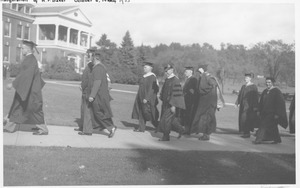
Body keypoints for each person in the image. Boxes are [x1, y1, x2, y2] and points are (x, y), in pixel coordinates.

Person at [4, 40, 48, 135]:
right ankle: (8, 125)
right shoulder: (30, 59)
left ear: (28, 49)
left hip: (30, 91)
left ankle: (43, 129)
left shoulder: (30, 59)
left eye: (23, 48)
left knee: (33, 109)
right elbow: (24, 74)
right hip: (27, 88)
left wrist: (13, 84)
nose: (21, 50)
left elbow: (26, 75)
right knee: (19, 107)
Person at [88, 51, 117, 138]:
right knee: (102, 112)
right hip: (101, 94)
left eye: (91, 57)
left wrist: (92, 95)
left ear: (95, 58)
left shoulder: (98, 68)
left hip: (99, 95)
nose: (90, 59)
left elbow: (97, 82)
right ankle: (106, 126)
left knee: (99, 112)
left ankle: (111, 127)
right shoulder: (101, 67)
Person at [253, 77, 288, 144]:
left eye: (269, 82)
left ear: (272, 83)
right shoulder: (265, 91)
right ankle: (277, 139)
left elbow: (280, 103)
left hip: (272, 113)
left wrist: (277, 114)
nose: (267, 84)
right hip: (264, 112)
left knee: (263, 125)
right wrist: (258, 110)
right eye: (266, 82)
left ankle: (258, 140)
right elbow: (261, 102)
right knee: (273, 126)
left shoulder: (277, 91)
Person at [158, 63, 185, 141]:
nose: (166, 72)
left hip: (171, 104)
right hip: (165, 103)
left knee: (165, 120)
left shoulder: (175, 80)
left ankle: (166, 136)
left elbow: (177, 94)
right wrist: (161, 97)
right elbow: (164, 91)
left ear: (172, 70)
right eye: (165, 71)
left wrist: (174, 105)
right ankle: (181, 129)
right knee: (171, 120)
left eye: (168, 70)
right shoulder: (167, 79)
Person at [190, 64, 218, 141]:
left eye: (199, 72)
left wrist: (204, 75)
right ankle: (204, 134)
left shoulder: (207, 78)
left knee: (206, 119)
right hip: (207, 103)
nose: (198, 74)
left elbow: (203, 88)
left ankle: (206, 135)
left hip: (207, 103)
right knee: (204, 119)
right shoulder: (208, 78)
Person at [132, 61, 159, 132]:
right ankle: (141, 128)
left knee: (149, 114)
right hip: (141, 98)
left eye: (145, 67)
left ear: (150, 68)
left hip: (148, 99)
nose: (144, 68)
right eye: (144, 67)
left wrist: (147, 98)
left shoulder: (152, 77)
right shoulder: (144, 76)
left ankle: (159, 127)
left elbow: (151, 89)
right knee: (141, 113)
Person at [75, 48, 95, 135]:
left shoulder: (92, 66)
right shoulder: (89, 65)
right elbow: (85, 78)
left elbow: (89, 79)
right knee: (83, 109)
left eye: (89, 55)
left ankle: (87, 130)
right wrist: (81, 84)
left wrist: (83, 86)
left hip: (88, 90)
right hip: (84, 90)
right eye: (87, 54)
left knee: (87, 111)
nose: (87, 56)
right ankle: (82, 127)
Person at [235, 73, 260, 138]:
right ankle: (245, 132)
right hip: (243, 105)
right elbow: (240, 95)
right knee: (242, 119)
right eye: (245, 78)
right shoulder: (243, 86)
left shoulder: (253, 86)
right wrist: (237, 102)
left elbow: (255, 97)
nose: (245, 79)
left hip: (249, 106)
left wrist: (255, 106)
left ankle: (247, 133)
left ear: (250, 78)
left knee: (246, 119)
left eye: (247, 78)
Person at [181, 66, 198, 135]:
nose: (185, 73)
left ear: (191, 72)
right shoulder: (187, 79)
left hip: (190, 101)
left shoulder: (193, 79)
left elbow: (195, 91)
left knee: (189, 115)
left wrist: (190, 92)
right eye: (185, 71)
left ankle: (188, 130)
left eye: (186, 71)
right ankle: (186, 129)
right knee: (185, 115)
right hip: (186, 100)